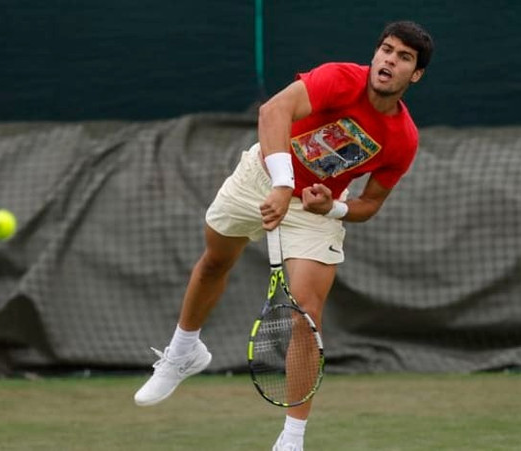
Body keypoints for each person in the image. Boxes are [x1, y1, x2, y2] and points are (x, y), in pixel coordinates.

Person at [134, 20, 434, 451]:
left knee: (306, 316)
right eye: (386, 50)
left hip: (313, 211)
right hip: (262, 175)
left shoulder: (402, 140)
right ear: (375, 54)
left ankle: (293, 439)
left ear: (415, 74)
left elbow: (369, 205)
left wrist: (331, 207)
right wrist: (281, 182)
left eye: (403, 57)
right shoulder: (338, 77)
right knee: (216, 260)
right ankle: (184, 350)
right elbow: (272, 112)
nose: (390, 60)